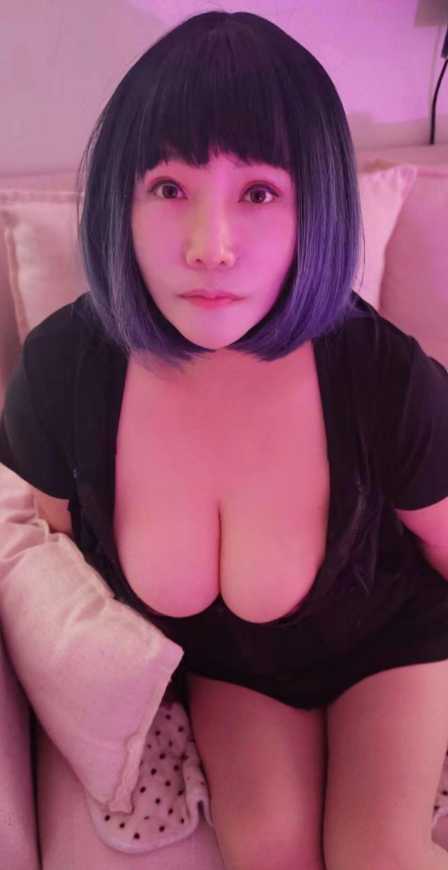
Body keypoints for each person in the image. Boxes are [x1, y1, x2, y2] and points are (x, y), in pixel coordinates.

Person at [1, 9, 448, 869]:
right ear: (121, 202)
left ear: (315, 208)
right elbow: (46, 556)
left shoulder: (384, 377)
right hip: (237, 674)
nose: (211, 247)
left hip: (391, 646)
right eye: (170, 188)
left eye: (259, 192)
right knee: (269, 855)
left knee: (380, 854)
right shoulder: (62, 373)